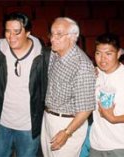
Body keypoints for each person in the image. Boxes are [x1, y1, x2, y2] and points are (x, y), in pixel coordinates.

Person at [0, 12, 50, 157]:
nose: (11, 36)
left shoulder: (43, 55)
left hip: (29, 126)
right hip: (1, 123)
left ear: (28, 32)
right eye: (7, 31)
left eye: (16, 32)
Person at [41, 17, 96, 157]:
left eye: (58, 34)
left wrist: (67, 132)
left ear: (72, 37)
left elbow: (86, 109)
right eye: (51, 34)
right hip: (48, 117)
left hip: (67, 123)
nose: (52, 39)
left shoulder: (82, 66)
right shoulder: (55, 54)